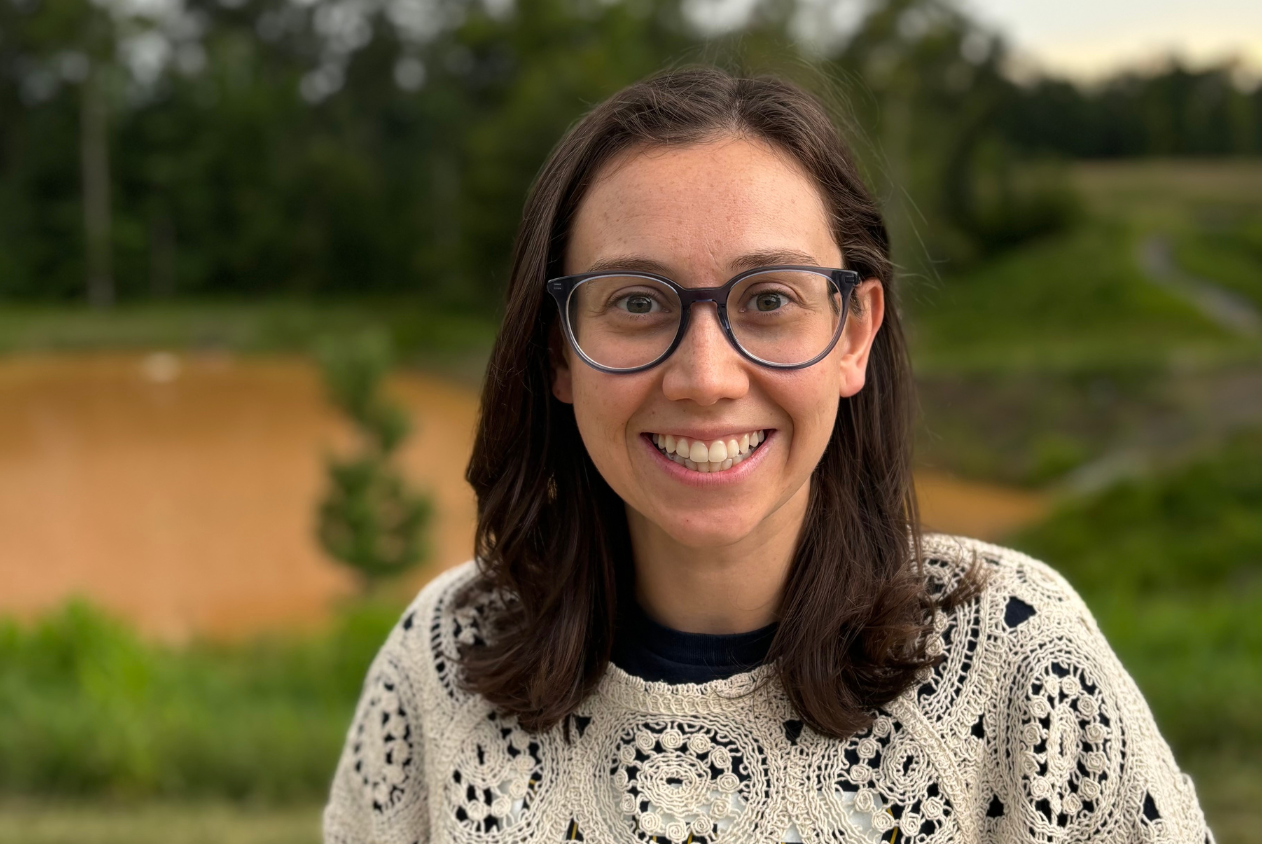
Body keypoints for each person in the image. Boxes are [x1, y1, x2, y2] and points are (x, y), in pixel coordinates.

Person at [322, 67, 1211, 844]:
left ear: (854, 334)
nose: (704, 378)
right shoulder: (444, 659)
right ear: (558, 350)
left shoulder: (1023, 663)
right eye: (636, 303)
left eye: (770, 299)